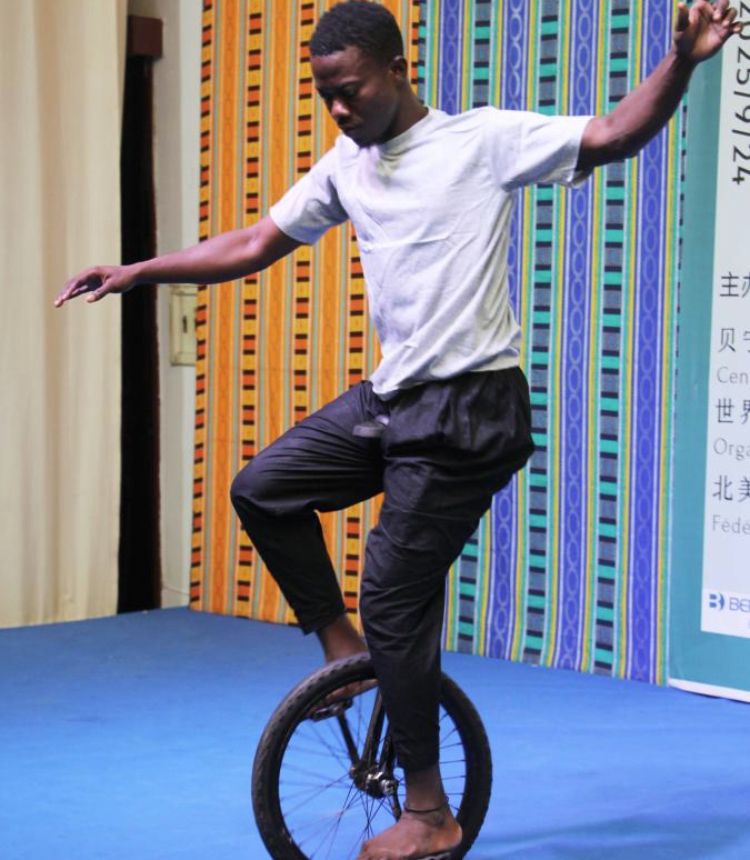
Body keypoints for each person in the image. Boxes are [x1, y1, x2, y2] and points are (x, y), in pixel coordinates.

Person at [56, 2, 742, 858]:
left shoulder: (479, 141)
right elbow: (256, 241)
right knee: (263, 489)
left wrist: (683, 62)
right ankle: (346, 650)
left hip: (469, 412)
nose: (339, 111)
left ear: (397, 68)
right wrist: (139, 271)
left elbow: (611, 134)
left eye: (350, 91)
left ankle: (428, 813)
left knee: (394, 594)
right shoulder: (349, 165)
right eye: (323, 96)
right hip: (393, 401)